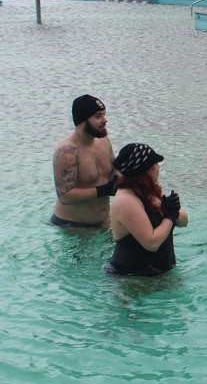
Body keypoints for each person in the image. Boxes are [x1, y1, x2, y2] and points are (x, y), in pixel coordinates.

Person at [106, 143, 188, 276]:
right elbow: (152, 243)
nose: (158, 167)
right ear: (147, 170)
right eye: (156, 164)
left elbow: (184, 223)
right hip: (131, 279)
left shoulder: (153, 191)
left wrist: (174, 210)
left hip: (160, 274)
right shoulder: (126, 201)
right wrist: (169, 216)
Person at [51, 94, 116, 227]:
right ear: (82, 121)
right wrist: (104, 190)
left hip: (104, 223)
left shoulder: (103, 140)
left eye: (104, 114)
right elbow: (65, 197)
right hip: (73, 228)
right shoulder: (67, 152)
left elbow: (114, 169)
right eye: (98, 116)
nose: (105, 120)